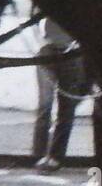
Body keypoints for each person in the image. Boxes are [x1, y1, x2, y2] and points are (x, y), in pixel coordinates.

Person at [30, 16, 85, 172]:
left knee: (67, 107)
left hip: (72, 54)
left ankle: (56, 156)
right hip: (47, 51)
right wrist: (40, 42)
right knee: (45, 103)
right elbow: (32, 19)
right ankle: (38, 154)